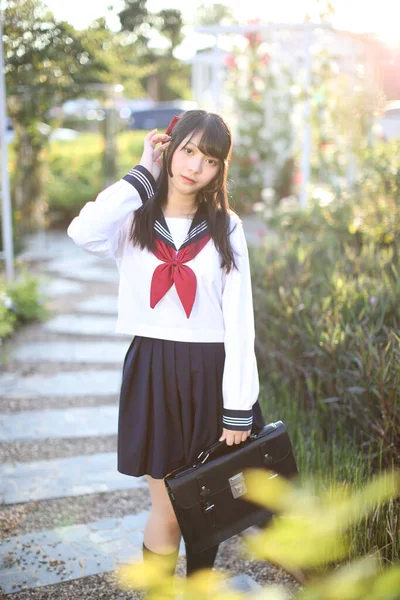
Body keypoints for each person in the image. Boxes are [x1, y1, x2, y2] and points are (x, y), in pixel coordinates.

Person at [67, 109, 265, 580]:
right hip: (154, 369)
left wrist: (237, 406)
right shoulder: (133, 218)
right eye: (189, 150)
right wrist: (141, 176)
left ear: (220, 170)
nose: (195, 166)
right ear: (169, 147)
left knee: (204, 501)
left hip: (209, 374)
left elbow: (240, 320)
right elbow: (82, 231)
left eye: (210, 159)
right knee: (169, 507)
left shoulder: (225, 226)